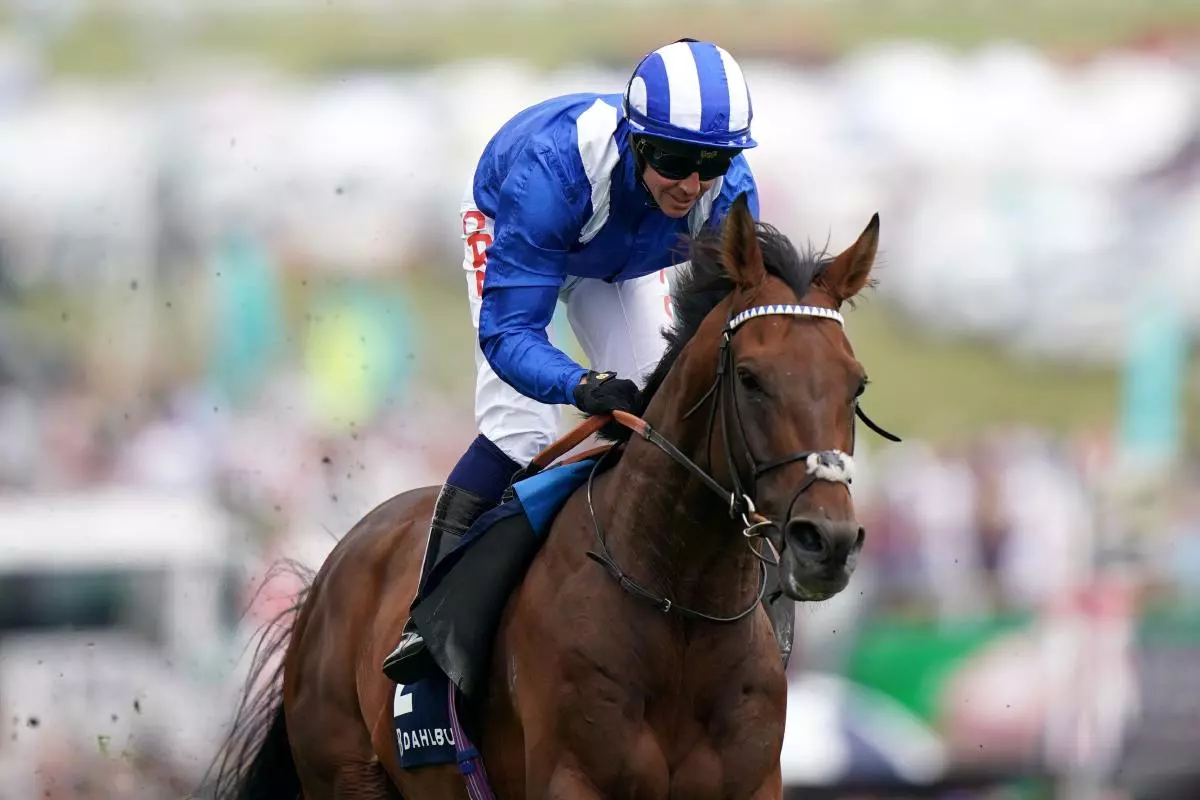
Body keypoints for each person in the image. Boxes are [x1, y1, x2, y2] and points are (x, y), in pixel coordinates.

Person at [384, 38, 774, 685]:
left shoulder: (728, 194)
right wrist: (580, 383)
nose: (692, 182)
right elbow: (509, 334)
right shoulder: (552, 173)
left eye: (713, 161)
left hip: (618, 263)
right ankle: (429, 622)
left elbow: (733, 327)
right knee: (524, 429)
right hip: (522, 229)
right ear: (637, 141)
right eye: (675, 159)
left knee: (669, 417)